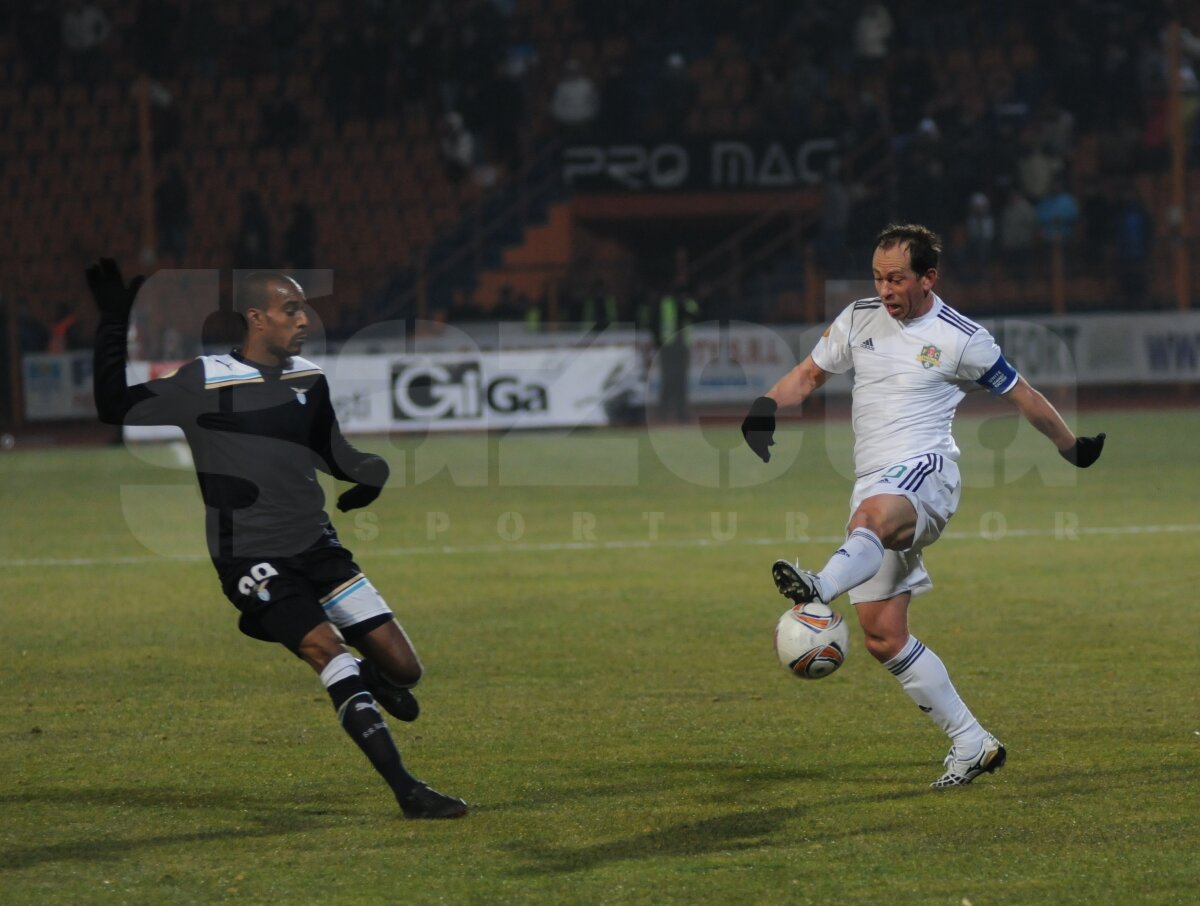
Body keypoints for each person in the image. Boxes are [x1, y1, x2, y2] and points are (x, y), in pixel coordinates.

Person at [87, 259, 467, 819]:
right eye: (292, 309)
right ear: (257, 318)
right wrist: (113, 322)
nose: (304, 318)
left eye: (304, 308)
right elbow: (110, 408)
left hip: (319, 547)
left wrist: (371, 473)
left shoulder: (308, 379)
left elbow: (332, 452)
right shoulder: (205, 380)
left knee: (406, 671)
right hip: (250, 555)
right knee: (328, 654)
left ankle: (359, 673)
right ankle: (407, 790)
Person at [740, 224, 1105, 790]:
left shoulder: (961, 337)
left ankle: (817, 587)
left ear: (928, 276)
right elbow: (810, 374)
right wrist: (766, 405)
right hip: (873, 483)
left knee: (871, 521)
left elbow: (1024, 396)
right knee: (883, 635)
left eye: (897, 278)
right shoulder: (859, 317)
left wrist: (1071, 447)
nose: (885, 289)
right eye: (879, 277)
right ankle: (972, 742)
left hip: (926, 475)